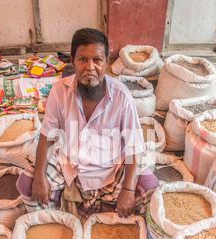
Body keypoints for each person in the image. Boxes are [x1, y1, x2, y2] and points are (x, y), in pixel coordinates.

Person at [16, 28, 159, 219]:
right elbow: (47, 135)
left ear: (106, 62)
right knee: (27, 183)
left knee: (149, 187)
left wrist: (128, 189)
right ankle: (51, 225)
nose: (90, 67)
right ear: (73, 61)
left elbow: (134, 146)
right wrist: (40, 177)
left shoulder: (121, 95)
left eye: (97, 60)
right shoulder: (60, 91)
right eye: (83, 59)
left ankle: (113, 210)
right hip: (70, 164)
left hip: (112, 167)